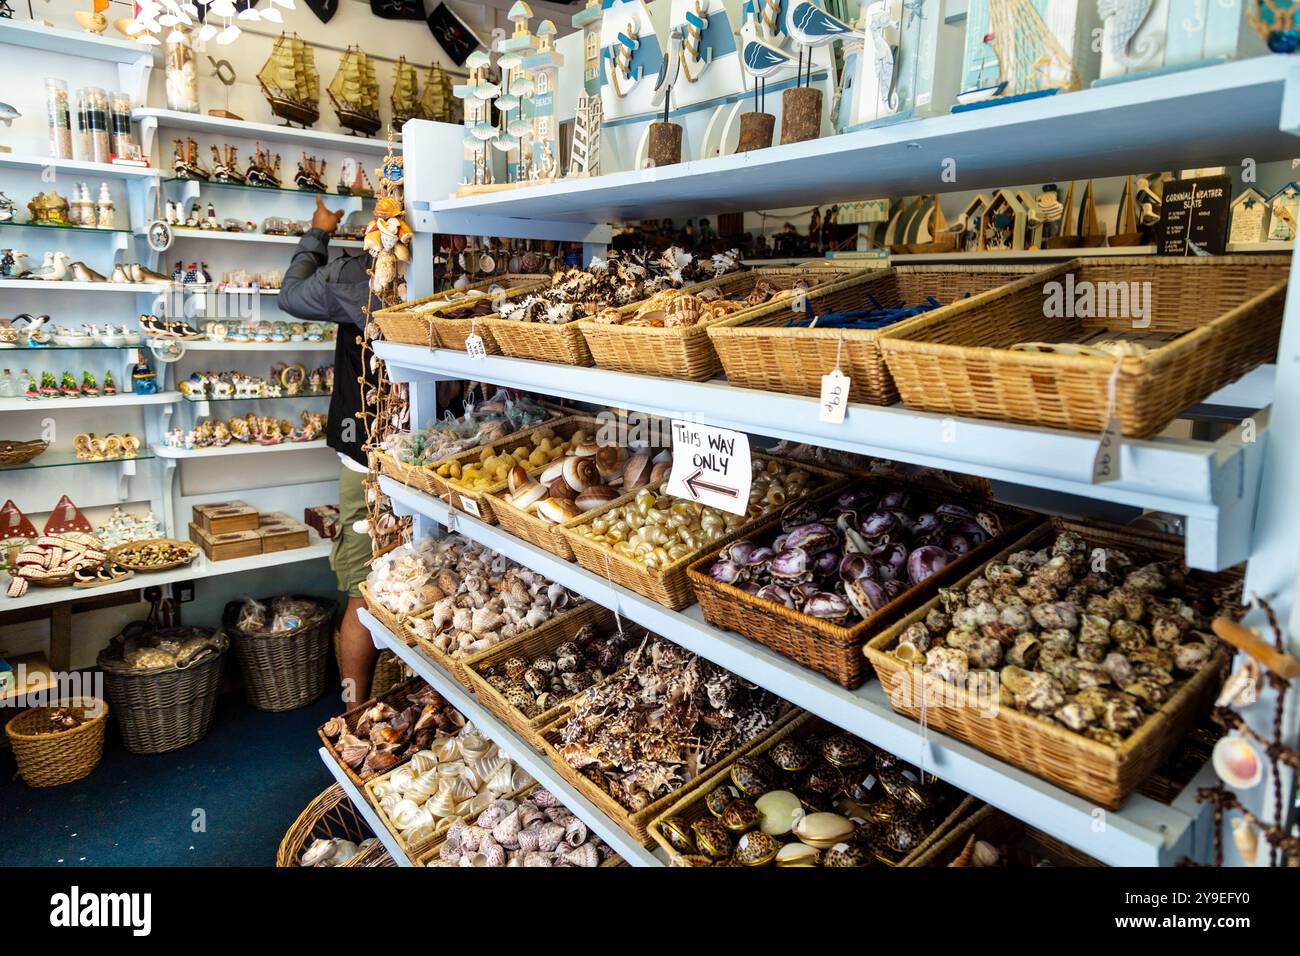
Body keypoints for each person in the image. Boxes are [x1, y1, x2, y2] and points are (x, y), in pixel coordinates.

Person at [280, 195, 377, 703]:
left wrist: (318, 233)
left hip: (365, 450)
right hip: (441, 453)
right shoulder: (458, 269)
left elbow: (290, 294)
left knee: (363, 590)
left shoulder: (355, 273)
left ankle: (355, 711)